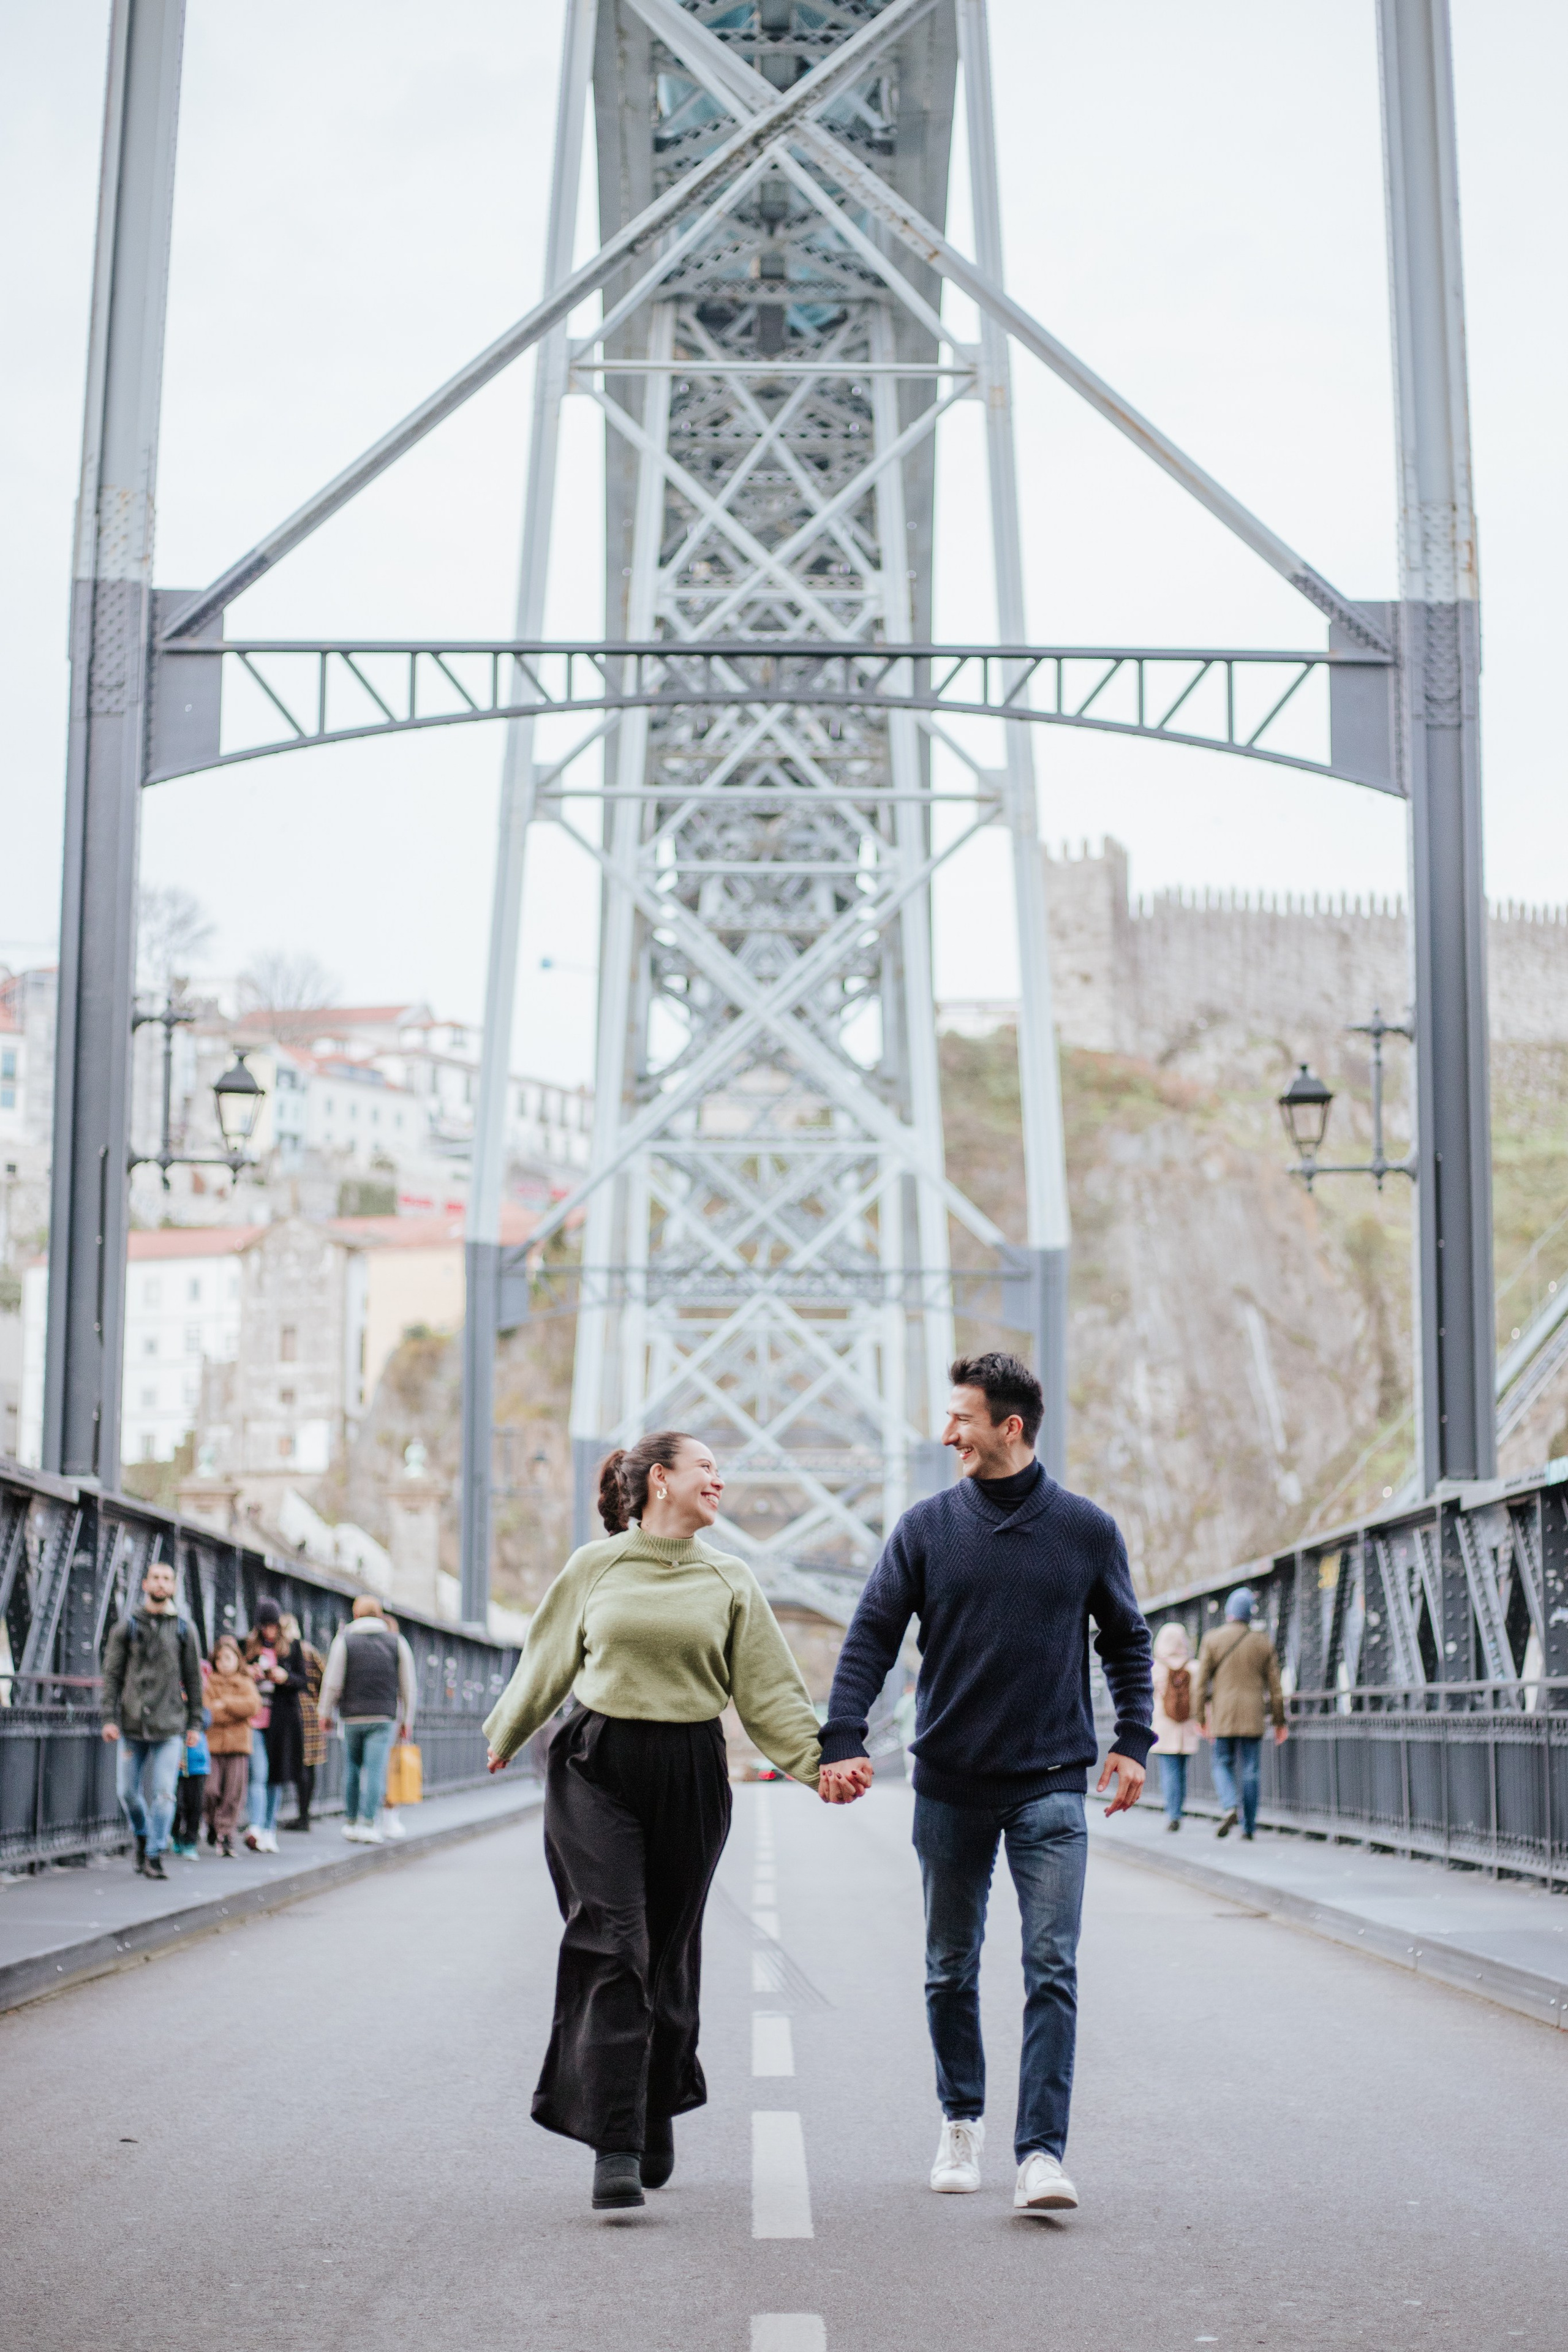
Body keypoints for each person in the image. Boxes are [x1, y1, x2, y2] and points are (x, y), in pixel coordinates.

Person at [818, 1352, 1153, 2218]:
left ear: (1010, 1426)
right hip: (950, 1782)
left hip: (1051, 1781)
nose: (946, 1435)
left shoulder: (1086, 1530)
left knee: (1052, 1967)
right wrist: (842, 1735)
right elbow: (871, 1636)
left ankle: (1041, 2154)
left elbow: (1127, 1638)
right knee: (948, 1968)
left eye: (960, 1419)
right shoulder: (925, 1529)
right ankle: (960, 2120)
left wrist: (1134, 1739)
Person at [483, 1431, 824, 2217]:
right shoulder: (594, 1566)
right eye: (707, 1467)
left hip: (691, 1770)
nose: (720, 1480)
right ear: (660, 1480)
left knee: (667, 1954)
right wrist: (507, 1731)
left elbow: (768, 1690)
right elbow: (547, 1657)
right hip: (596, 1765)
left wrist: (817, 1765)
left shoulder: (731, 1579)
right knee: (615, 1943)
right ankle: (615, 2141)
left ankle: (655, 2103)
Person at [100, 1558, 205, 1880]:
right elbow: (112, 1675)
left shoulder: (184, 1629)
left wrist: (195, 1723)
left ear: (173, 1586)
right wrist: (108, 1718)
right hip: (132, 1724)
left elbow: (194, 1678)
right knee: (127, 1793)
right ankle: (143, 1835)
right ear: (145, 1584)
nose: (161, 1583)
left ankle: (155, 1853)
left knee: (164, 1793)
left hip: (170, 1726)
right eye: (155, 1578)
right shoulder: (127, 1627)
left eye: (167, 1578)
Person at [317, 1596, 417, 1844]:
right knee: (375, 1771)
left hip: (351, 1717)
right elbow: (408, 1686)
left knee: (351, 1769)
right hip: (383, 1717)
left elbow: (332, 1682)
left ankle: (351, 1822)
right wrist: (407, 1720)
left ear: (356, 1615)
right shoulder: (397, 1642)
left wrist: (325, 1713)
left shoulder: (344, 1641)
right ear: (380, 1615)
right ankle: (369, 1824)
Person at [1192, 1587, 1287, 1841]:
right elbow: (1276, 1687)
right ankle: (1249, 1827)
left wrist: (1200, 1718)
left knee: (1221, 1763)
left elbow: (1200, 1684)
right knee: (1251, 1770)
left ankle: (1229, 1806)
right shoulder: (1262, 1641)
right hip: (1253, 1716)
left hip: (1223, 1716)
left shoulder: (1212, 1639)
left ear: (1229, 1613)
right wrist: (1279, 1721)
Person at [243, 1603, 307, 1852]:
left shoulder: (292, 1647)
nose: (270, 1631)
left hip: (281, 1722)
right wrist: (249, 1672)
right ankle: (256, 1827)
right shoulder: (246, 1646)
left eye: (273, 1626)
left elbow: (303, 1680)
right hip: (254, 1720)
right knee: (259, 1774)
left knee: (276, 1776)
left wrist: (285, 1677)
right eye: (265, 1626)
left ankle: (270, 1829)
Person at [204, 1632, 261, 1856]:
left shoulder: (245, 1682)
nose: (224, 1663)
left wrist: (225, 1704)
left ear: (238, 1659)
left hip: (238, 1746)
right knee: (210, 1790)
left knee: (233, 1792)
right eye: (220, 1659)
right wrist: (235, 1713)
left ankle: (226, 1834)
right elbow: (208, 1712)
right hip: (213, 1746)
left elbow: (252, 1706)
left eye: (228, 1658)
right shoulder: (209, 1683)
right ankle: (211, 1821)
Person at [277, 1612, 326, 1834]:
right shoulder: (309, 1650)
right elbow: (324, 1677)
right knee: (308, 1763)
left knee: (299, 1763)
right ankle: (304, 1815)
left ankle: (301, 1816)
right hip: (310, 1709)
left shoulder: (283, 1650)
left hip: (292, 1708)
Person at [1150, 1621, 1200, 1833]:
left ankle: (1173, 1814)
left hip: (1164, 1729)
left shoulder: (1155, 1668)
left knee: (1169, 1772)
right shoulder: (1194, 1667)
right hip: (1187, 1728)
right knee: (1181, 1772)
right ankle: (1179, 1808)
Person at [170, 1664, 211, 1859]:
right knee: (177, 1805)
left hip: (197, 1765)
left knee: (195, 1806)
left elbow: (206, 1721)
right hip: (176, 1765)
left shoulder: (201, 1710)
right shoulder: (171, 1711)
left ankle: (190, 1841)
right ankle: (175, 1835)